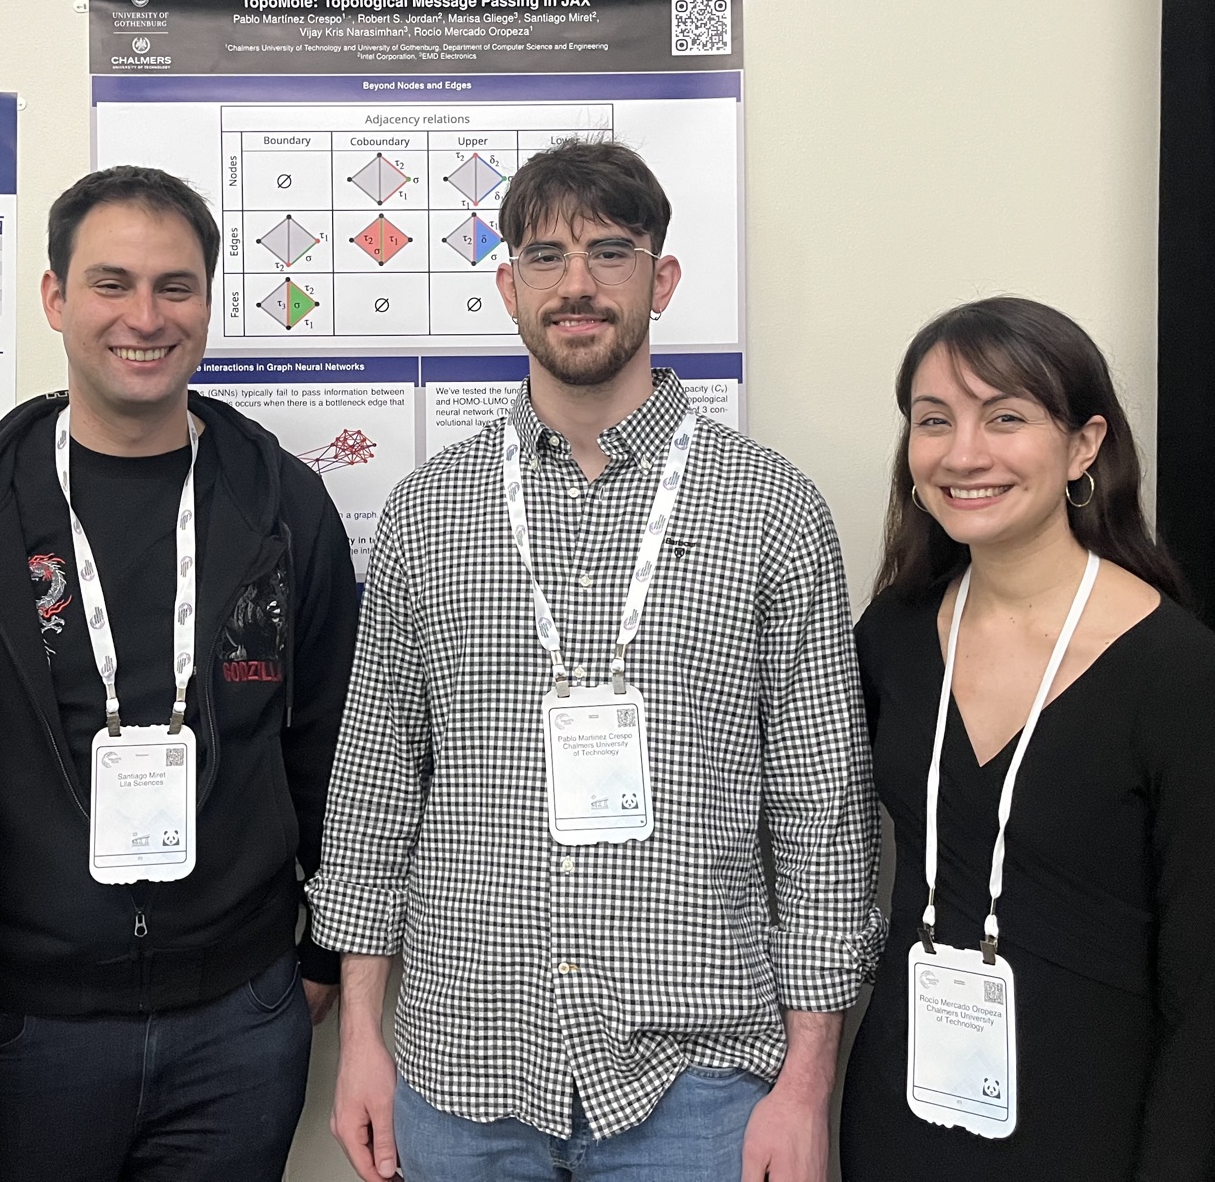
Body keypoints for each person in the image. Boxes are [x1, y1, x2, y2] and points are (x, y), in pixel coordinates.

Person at [309, 138, 882, 1182]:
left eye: (609, 252)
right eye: (545, 256)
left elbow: (822, 812)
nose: (576, 283)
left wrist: (808, 1083)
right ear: (508, 288)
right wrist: (359, 1038)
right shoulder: (427, 513)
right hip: (460, 1065)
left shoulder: (772, 509)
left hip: (697, 1080)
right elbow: (374, 787)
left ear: (661, 279)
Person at [0, 165, 358, 1182]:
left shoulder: (282, 506)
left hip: (238, 1021)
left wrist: (322, 952)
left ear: (207, 303)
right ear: (55, 298)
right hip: (21, 1029)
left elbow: (334, 743)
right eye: (111, 283)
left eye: (174, 287)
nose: (144, 317)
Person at [837, 297, 1215, 1181]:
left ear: (1083, 445)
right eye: (933, 421)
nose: (963, 454)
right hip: (903, 1113)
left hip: (1091, 1127)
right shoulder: (893, 635)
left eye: (1005, 418)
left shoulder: (1182, 677)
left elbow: (1209, 990)